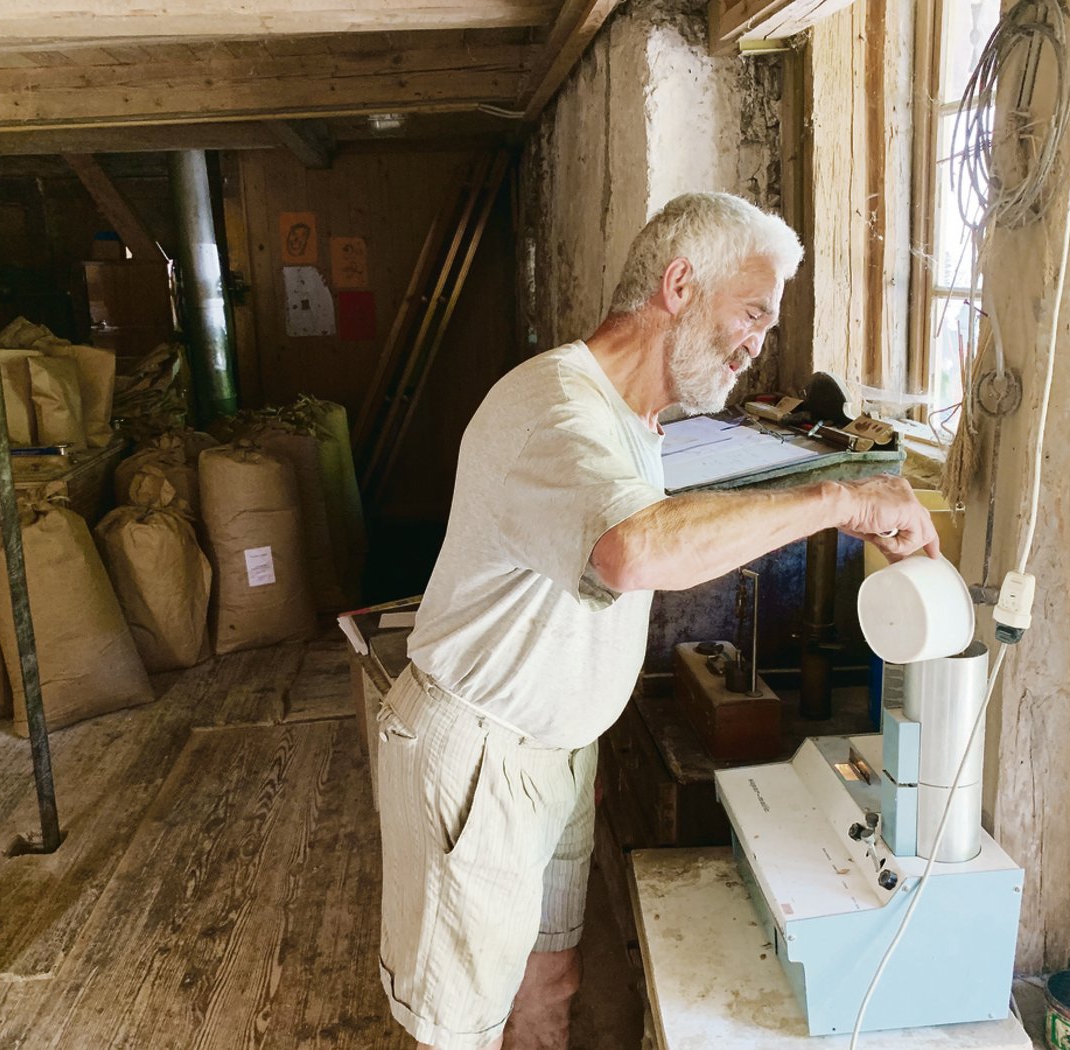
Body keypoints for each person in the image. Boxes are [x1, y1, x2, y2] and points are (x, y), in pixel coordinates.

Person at [376, 191, 939, 1050]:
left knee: (551, 982)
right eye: (751, 311)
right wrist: (839, 499)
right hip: (483, 755)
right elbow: (631, 552)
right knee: (460, 1030)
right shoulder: (554, 408)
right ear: (679, 285)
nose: (758, 342)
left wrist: (581, 733)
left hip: (553, 751)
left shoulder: (639, 420)